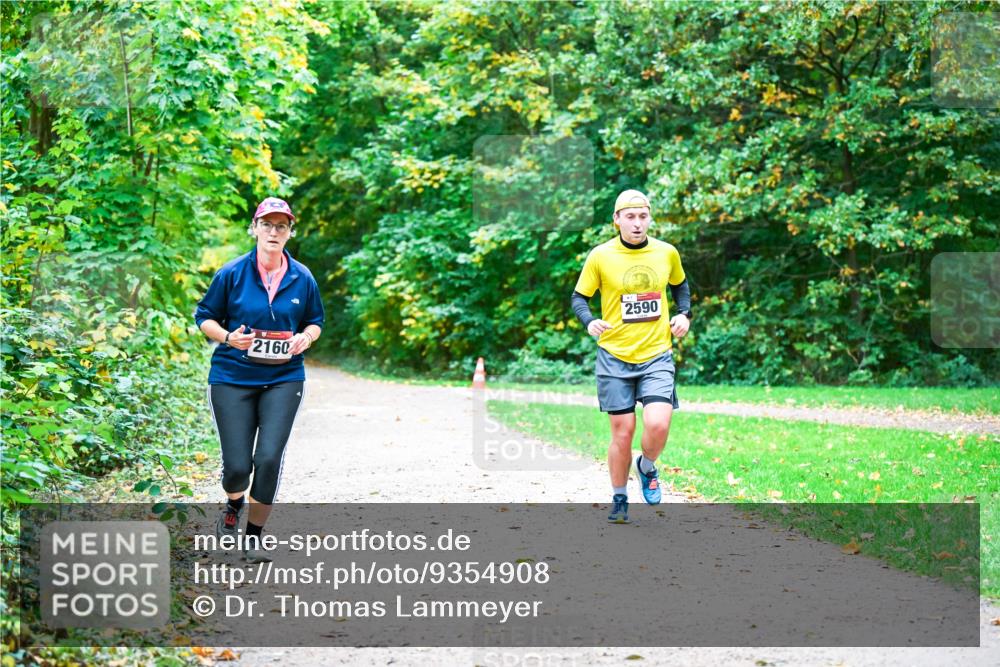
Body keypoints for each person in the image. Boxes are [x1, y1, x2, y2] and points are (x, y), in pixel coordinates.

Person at [195, 197, 324, 562]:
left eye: (281, 226)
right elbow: (204, 316)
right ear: (254, 229)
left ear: (289, 233)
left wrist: (306, 337)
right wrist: (227, 337)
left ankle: (253, 536)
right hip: (232, 376)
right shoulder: (232, 273)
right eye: (266, 224)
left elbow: (315, 320)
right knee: (238, 467)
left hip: (284, 377)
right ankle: (233, 504)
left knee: (268, 458)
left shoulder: (302, 277)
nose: (273, 231)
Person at [571, 190, 691, 523]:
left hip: (656, 354)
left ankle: (647, 466)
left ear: (649, 218)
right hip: (614, 355)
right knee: (622, 433)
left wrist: (685, 314)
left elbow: (681, 286)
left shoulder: (666, 253)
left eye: (642, 217)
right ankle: (619, 498)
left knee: (658, 423)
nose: (637, 224)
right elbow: (579, 298)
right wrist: (589, 320)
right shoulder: (600, 256)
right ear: (617, 219)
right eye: (630, 217)